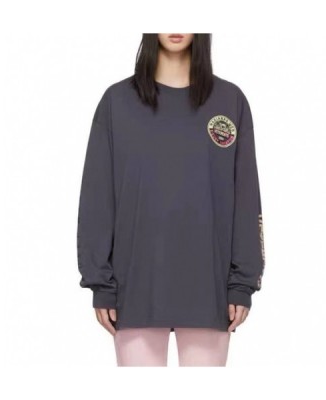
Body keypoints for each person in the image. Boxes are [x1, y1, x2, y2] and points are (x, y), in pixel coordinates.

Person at [76, 33, 266, 366]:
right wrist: (100, 282)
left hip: (209, 286)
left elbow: (246, 198)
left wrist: (243, 282)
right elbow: (98, 196)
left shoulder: (229, 101)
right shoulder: (117, 102)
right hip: (136, 284)